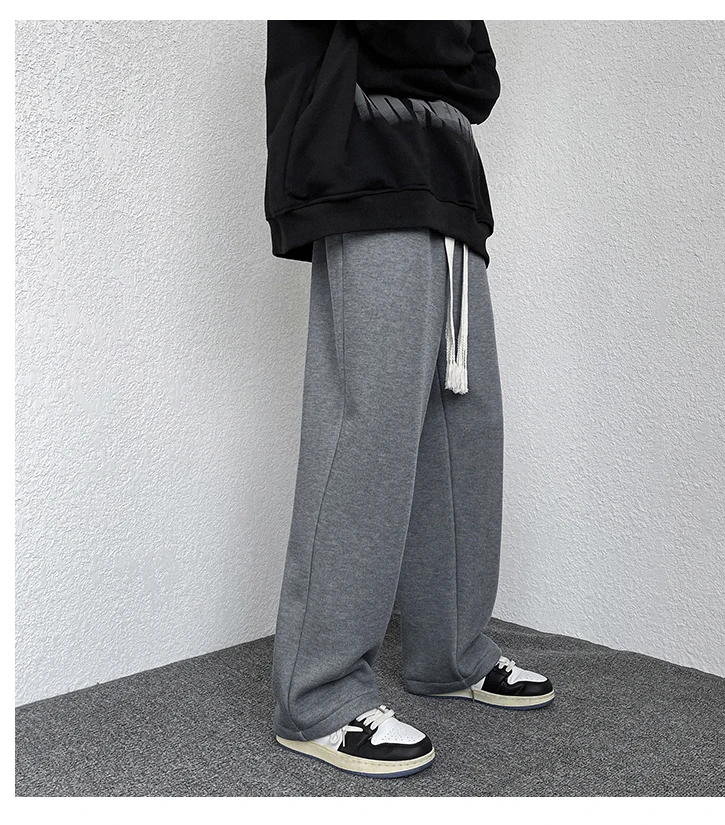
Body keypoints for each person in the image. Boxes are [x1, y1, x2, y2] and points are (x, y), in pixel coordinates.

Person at [263, 20, 554, 779]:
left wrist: (436, 51)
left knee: (466, 425)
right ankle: (317, 694)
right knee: (368, 427)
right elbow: (409, 31)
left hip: (448, 184)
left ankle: (451, 653)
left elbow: (480, 81)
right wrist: (438, 50)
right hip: (362, 166)